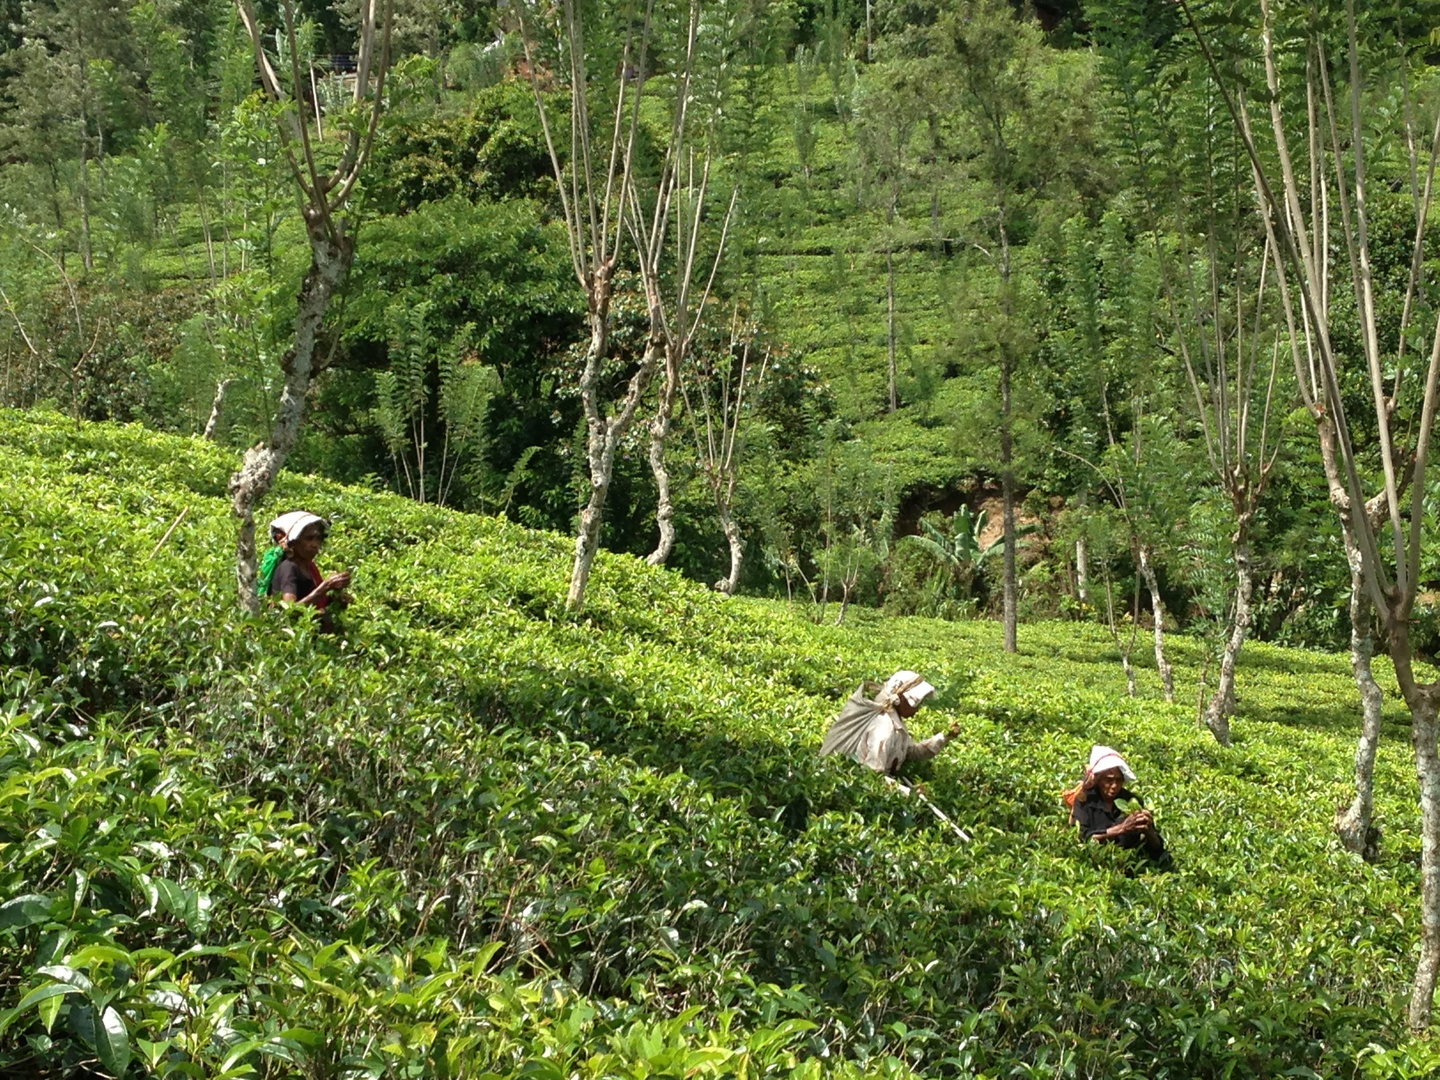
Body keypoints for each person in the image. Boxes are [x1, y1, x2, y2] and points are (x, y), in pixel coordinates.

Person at [820, 669, 960, 776]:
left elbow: (911, 752)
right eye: (917, 703)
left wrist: (944, 736)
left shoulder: (895, 723)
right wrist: (909, 793)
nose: (918, 708)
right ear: (900, 699)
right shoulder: (883, 729)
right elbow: (872, 776)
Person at [1063, 744, 1168, 863]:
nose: (1114, 786)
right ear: (1098, 779)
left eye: (1118, 780)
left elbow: (1157, 849)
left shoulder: (1131, 801)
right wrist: (1122, 828)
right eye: (1108, 780)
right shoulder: (1085, 800)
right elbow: (1084, 839)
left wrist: (1148, 829)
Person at [267, 512, 352, 632]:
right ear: (294, 542)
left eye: (318, 538)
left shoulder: (310, 567)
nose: (315, 544)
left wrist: (335, 599)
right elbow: (290, 611)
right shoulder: (289, 568)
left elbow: (311, 598)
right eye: (309, 538)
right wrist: (326, 586)